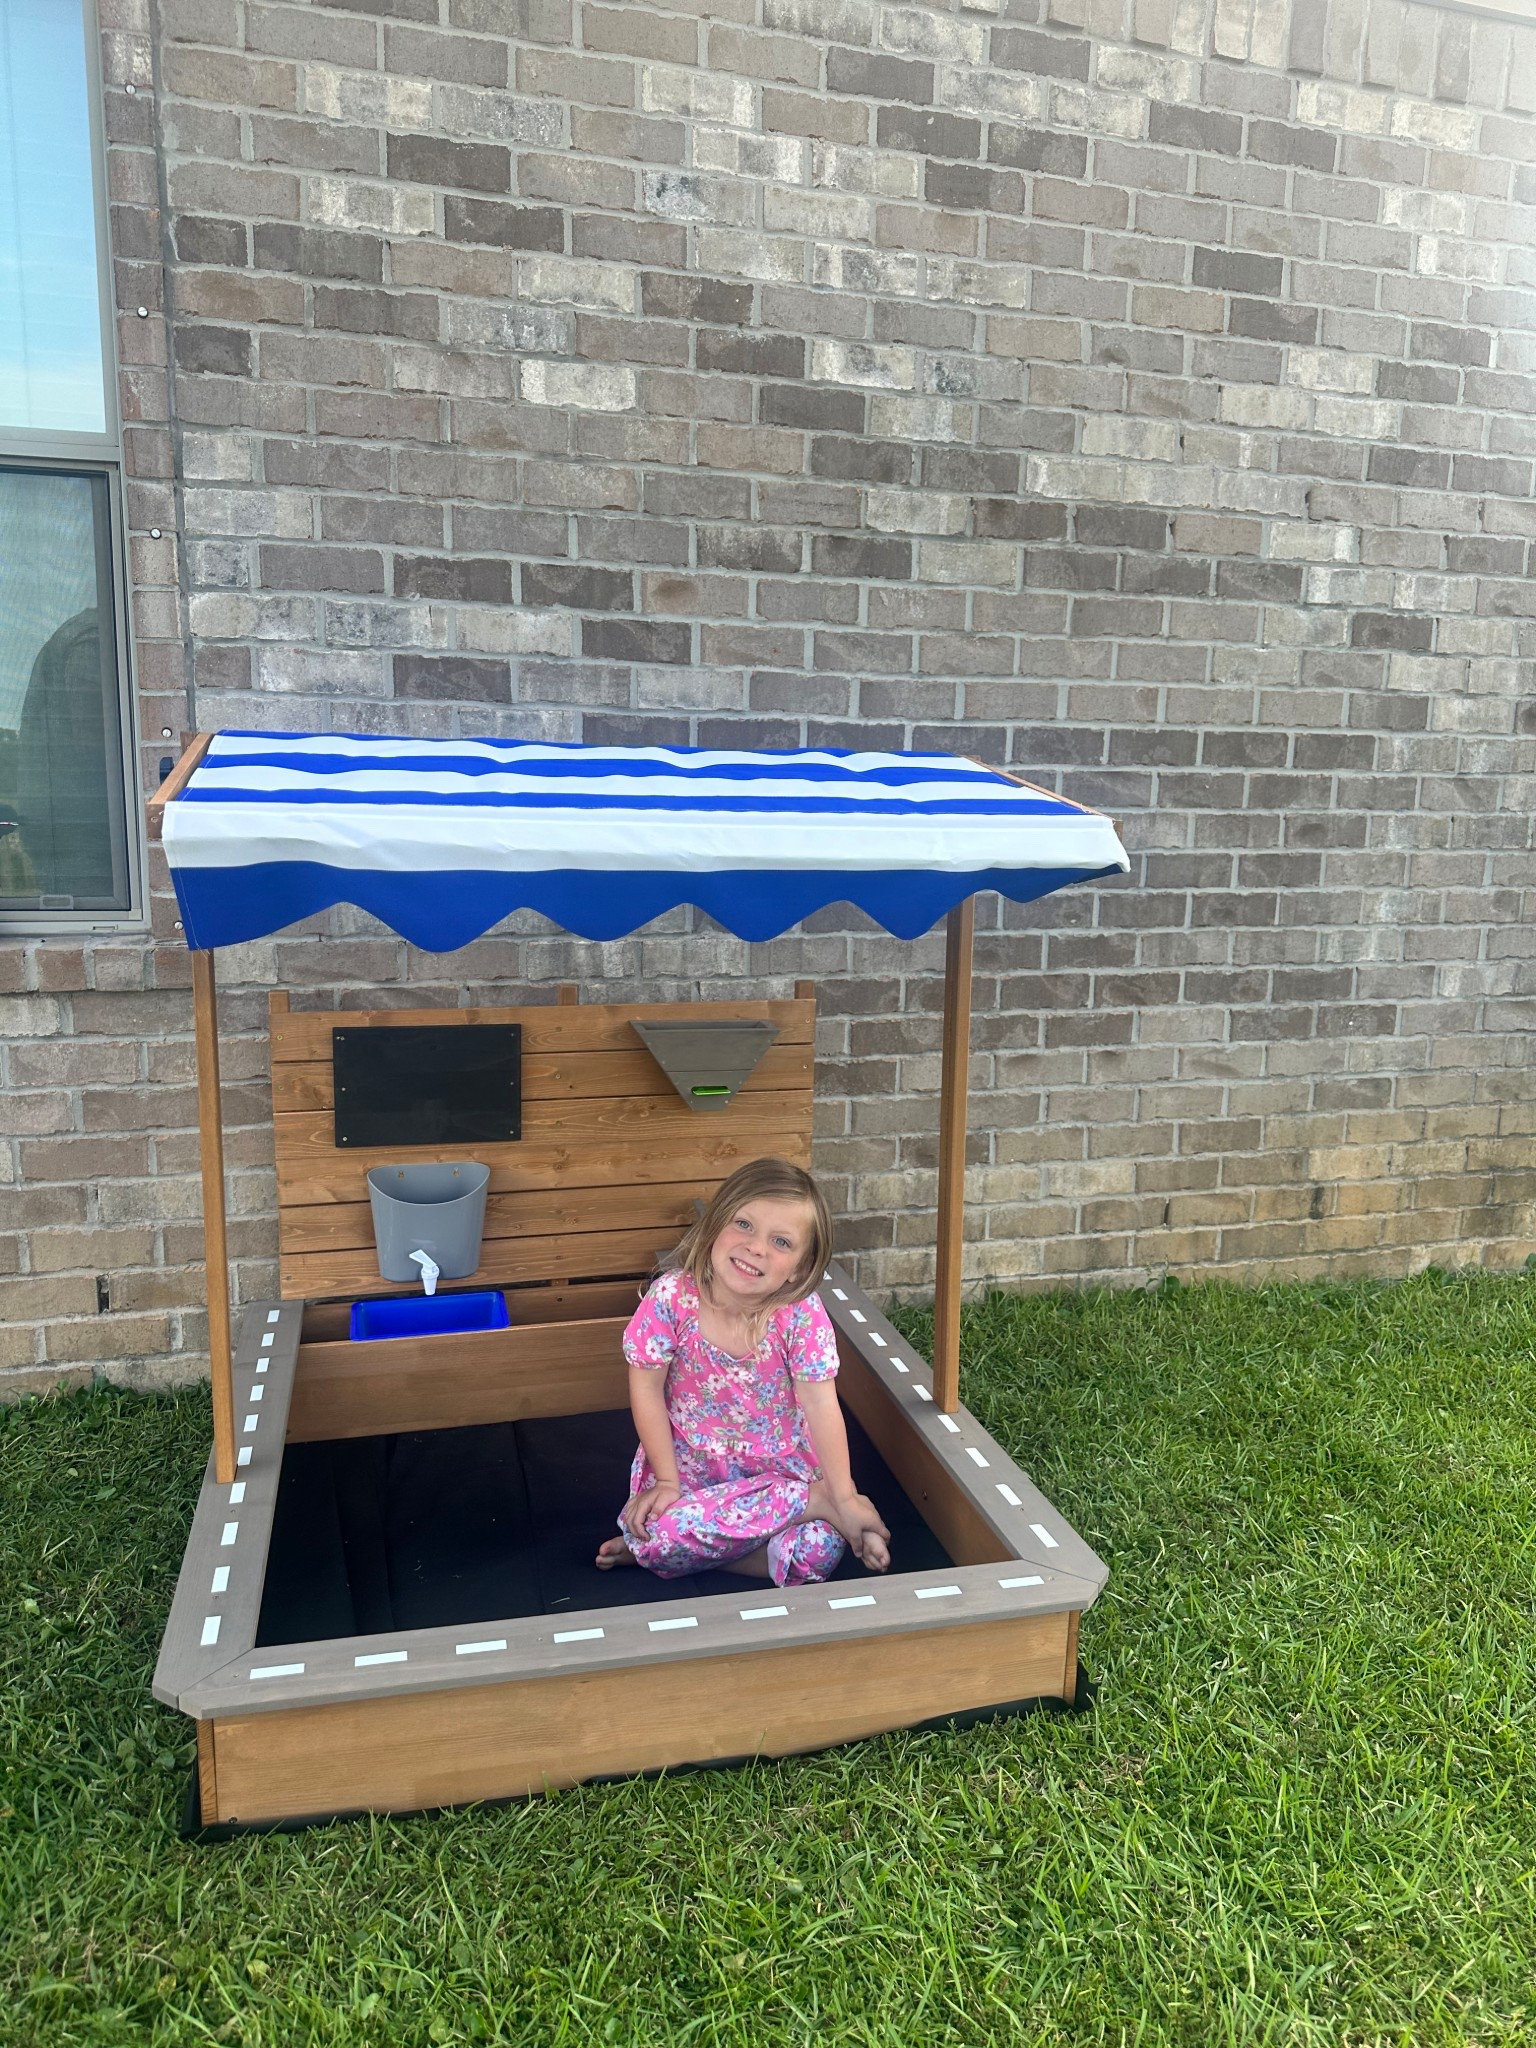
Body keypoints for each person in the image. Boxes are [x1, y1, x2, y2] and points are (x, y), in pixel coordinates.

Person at [596, 1156, 891, 1586]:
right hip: (692, 1472)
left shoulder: (800, 1317)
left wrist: (845, 1496)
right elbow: (646, 1390)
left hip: (779, 1472)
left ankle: (674, 1555)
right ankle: (812, 1504)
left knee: (819, 1552)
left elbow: (820, 1404)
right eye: (745, 1224)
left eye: (782, 1242)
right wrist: (665, 1480)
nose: (756, 1247)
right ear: (714, 1225)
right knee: (655, 1529)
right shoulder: (672, 1299)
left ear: (801, 1270)